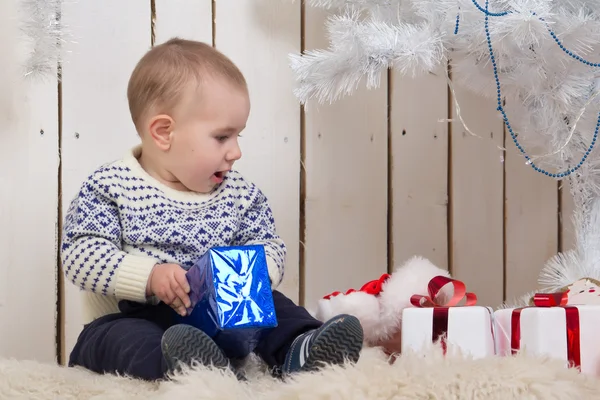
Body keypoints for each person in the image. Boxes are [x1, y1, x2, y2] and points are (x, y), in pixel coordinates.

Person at [61, 37, 364, 381]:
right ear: (164, 133)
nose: (235, 152)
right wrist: (150, 276)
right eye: (222, 137)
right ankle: (181, 364)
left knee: (277, 306)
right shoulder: (111, 186)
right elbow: (81, 255)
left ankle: (303, 347)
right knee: (113, 339)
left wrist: (252, 274)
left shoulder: (241, 195)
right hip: (136, 316)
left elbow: (271, 245)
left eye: (239, 136)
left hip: (226, 315)